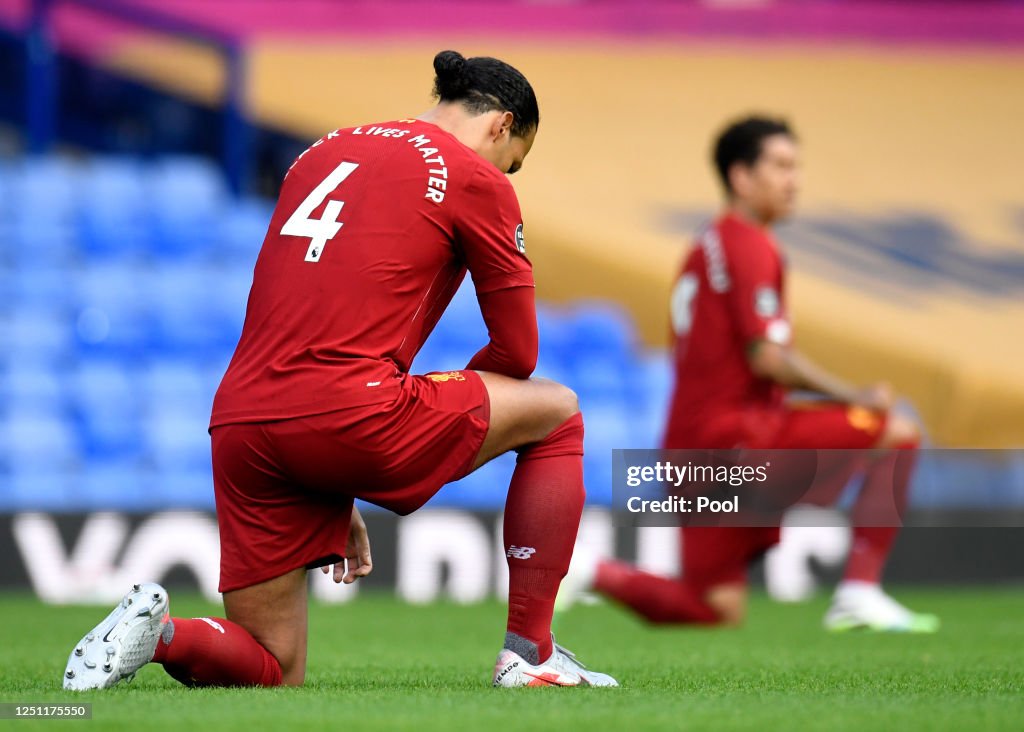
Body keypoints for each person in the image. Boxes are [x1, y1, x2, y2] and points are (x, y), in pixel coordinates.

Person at [62, 50, 617, 690]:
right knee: (557, 411)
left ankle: (159, 635)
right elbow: (518, 354)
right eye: (514, 157)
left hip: (243, 421)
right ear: (501, 125)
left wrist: (336, 464)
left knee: (273, 668)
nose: (507, 172)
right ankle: (533, 654)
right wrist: (394, 419)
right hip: (352, 414)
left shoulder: (323, 151)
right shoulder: (475, 177)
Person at [559, 116, 938, 633]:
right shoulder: (750, 244)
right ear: (741, 177)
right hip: (741, 438)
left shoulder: (705, 244)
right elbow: (768, 358)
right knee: (896, 431)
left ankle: (590, 570)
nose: (793, 180)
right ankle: (859, 591)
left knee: (715, 609)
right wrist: (856, 394)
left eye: (796, 167)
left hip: (689, 447)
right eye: (781, 166)